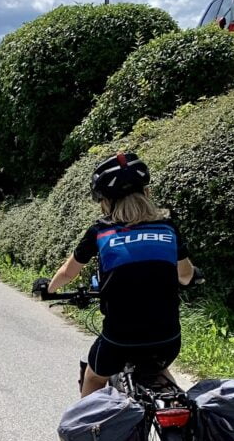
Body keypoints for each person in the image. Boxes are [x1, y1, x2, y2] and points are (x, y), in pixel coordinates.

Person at [33, 151, 198, 397]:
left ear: (105, 201)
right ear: (146, 193)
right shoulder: (167, 228)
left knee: (93, 376)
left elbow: (68, 272)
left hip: (119, 342)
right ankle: (183, 423)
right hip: (167, 341)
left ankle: (89, 430)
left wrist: (49, 288)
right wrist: (195, 274)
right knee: (161, 373)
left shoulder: (100, 232)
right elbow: (185, 275)